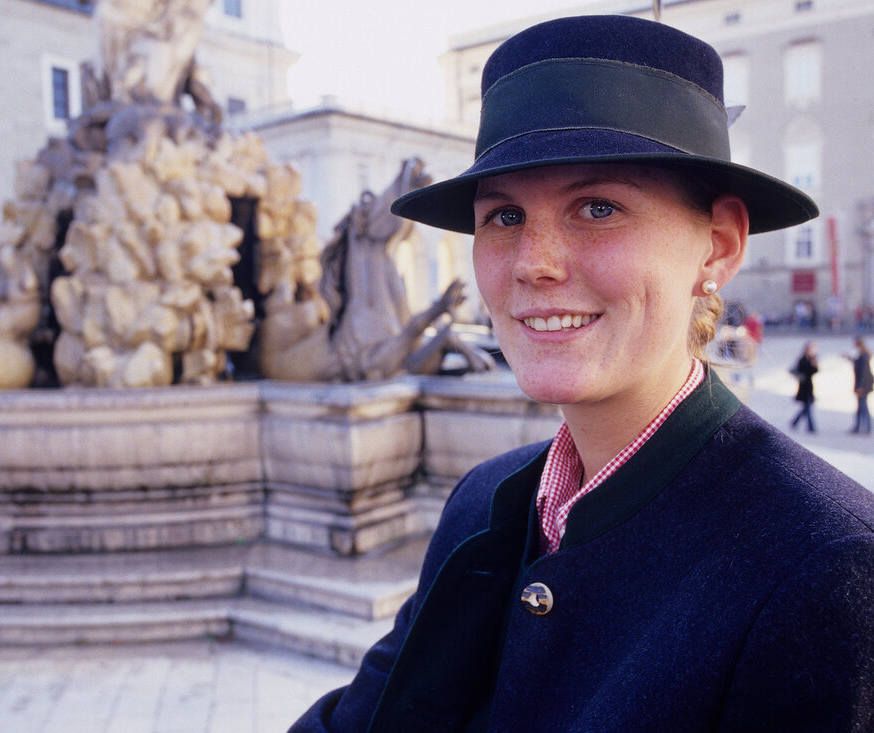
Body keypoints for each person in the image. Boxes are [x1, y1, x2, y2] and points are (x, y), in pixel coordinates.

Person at [290, 14, 874, 733]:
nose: (535, 261)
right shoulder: (485, 502)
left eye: (597, 208)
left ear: (718, 247)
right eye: (503, 216)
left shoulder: (824, 567)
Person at [789, 341, 818, 433]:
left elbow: (815, 371)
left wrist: (814, 364)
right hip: (803, 386)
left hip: (809, 385)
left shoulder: (812, 359)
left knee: (807, 407)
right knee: (807, 407)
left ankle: (795, 422)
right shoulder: (802, 360)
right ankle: (811, 427)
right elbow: (798, 370)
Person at [848, 336, 873, 434]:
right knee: (860, 407)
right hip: (863, 385)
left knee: (863, 407)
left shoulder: (864, 357)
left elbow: (863, 373)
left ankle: (867, 428)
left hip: (863, 386)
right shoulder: (862, 356)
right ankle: (858, 427)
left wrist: (860, 387)